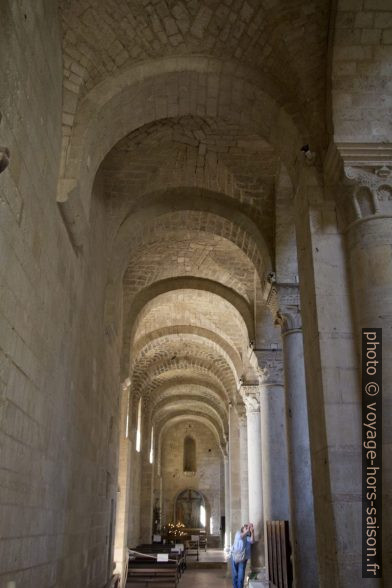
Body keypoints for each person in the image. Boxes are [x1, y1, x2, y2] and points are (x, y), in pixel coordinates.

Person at [230, 522, 254, 588]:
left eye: (248, 528)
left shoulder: (247, 537)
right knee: (235, 575)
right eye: (246, 527)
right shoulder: (238, 533)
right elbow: (241, 536)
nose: (247, 529)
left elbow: (252, 541)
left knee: (241, 577)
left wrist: (252, 532)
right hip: (234, 556)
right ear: (242, 529)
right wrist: (247, 529)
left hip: (243, 558)